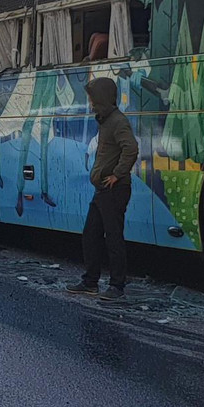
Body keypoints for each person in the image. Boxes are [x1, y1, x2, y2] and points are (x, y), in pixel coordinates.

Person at [69, 77, 139, 302]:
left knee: (113, 238)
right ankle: (90, 282)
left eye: (92, 99)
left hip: (114, 191)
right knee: (91, 234)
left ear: (102, 99)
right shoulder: (106, 121)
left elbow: (131, 148)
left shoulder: (118, 122)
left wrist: (117, 175)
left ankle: (117, 286)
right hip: (102, 190)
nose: (90, 104)